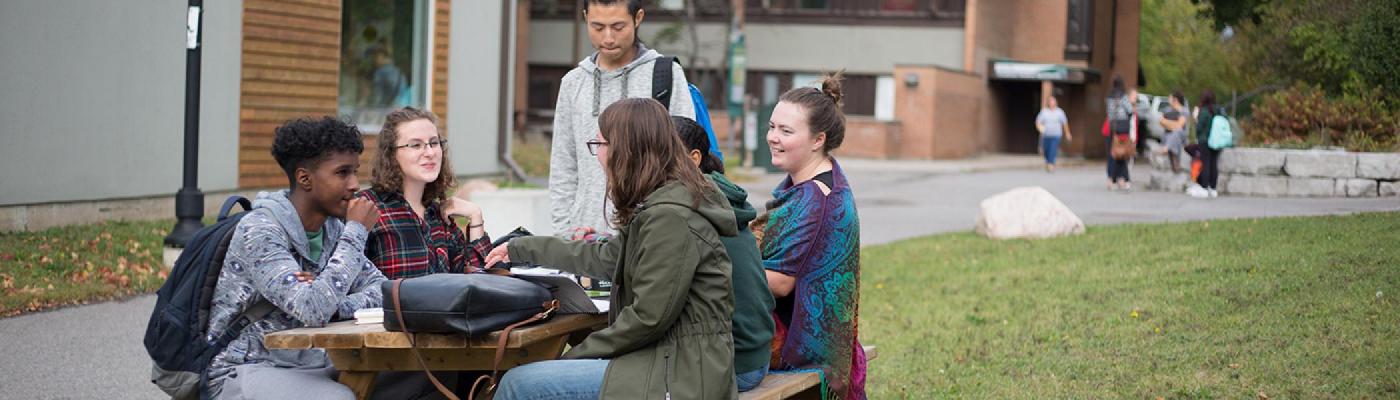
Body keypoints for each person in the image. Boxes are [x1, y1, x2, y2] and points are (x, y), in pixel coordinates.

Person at [485, 98, 737, 399]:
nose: (597, 155)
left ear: (626, 150)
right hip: (672, 359)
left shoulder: (669, 217)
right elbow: (605, 256)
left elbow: (648, 318)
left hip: (683, 373)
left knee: (519, 384)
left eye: (600, 144)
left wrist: (576, 354)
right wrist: (522, 249)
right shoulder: (665, 202)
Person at [203, 117, 388, 399]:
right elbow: (313, 309)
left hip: (316, 362)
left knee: (428, 377)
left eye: (355, 171)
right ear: (305, 178)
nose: (354, 184)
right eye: (342, 173)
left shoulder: (333, 230)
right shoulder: (261, 231)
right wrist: (357, 231)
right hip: (246, 368)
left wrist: (334, 303)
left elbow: (382, 290)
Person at [548, 0, 696, 238]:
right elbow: (564, 165)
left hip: (650, 234)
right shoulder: (572, 83)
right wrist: (563, 232)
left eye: (618, 27)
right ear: (585, 17)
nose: (608, 38)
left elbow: (685, 157)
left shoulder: (665, 76)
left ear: (638, 18)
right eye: (597, 27)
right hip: (584, 237)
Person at [759, 73, 866, 399]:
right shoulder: (827, 177)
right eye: (772, 126)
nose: (773, 137)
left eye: (786, 131)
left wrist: (712, 270)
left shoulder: (813, 198)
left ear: (818, 139)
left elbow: (778, 282)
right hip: (830, 345)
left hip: (801, 353)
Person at [674, 115, 776, 392]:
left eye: (660, 155)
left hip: (734, 364)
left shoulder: (693, 206)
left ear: (693, 158)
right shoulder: (715, 195)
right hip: (754, 354)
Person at [357, 107, 492, 280]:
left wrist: (475, 217)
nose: (430, 152)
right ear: (391, 154)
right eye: (416, 145)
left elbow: (478, 283)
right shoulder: (367, 207)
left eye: (434, 143)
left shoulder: (440, 215)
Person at [1104, 75, 1135, 190]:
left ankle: (1110, 179)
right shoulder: (1124, 97)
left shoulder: (1109, 97)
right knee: (1123, 153)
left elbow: (1108, 113)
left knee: (1112, 154)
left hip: (1112, 129)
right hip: (1123, 130)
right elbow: (1130, 111)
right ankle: (1122, 179)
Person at [1192, 90, 1223, 198]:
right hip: (1218, 141)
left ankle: (1204, 187)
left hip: (1205, 140)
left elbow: (1199, 128)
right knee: (1214, 164)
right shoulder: (1219, 110)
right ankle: (1213, 188)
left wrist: (1195, 118)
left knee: (1205, 163)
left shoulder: (1204, 111)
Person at [1035, 95, 1072, 172]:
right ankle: (1048, 161)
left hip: (1056, 134)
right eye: (1050, 102)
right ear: (1048, 103)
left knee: (1053, 149)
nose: (1052, 103)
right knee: (1046, 150)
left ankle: (1051, 164)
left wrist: (1067, 133)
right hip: (1046, 135)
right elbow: (1038, 122)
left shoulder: (1060, 112)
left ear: (1056, 103)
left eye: (1053, 101)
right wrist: (1039, 128)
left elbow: (1064, 123)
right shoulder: (1044, 112)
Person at [1160, 91, 1189, 173]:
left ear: (1175, 100)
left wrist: (1167, 123)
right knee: (1172, 134)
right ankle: (1175, 161)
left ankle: (1167, 148)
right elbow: (1161, 121)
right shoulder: (1168, 110)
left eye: (1170, 98)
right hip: (1170, 136)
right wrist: (1173, 125)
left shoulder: (1184, 111)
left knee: (1177, 132)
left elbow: (1180, 126)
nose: (1168, 100)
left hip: (1182, 136)